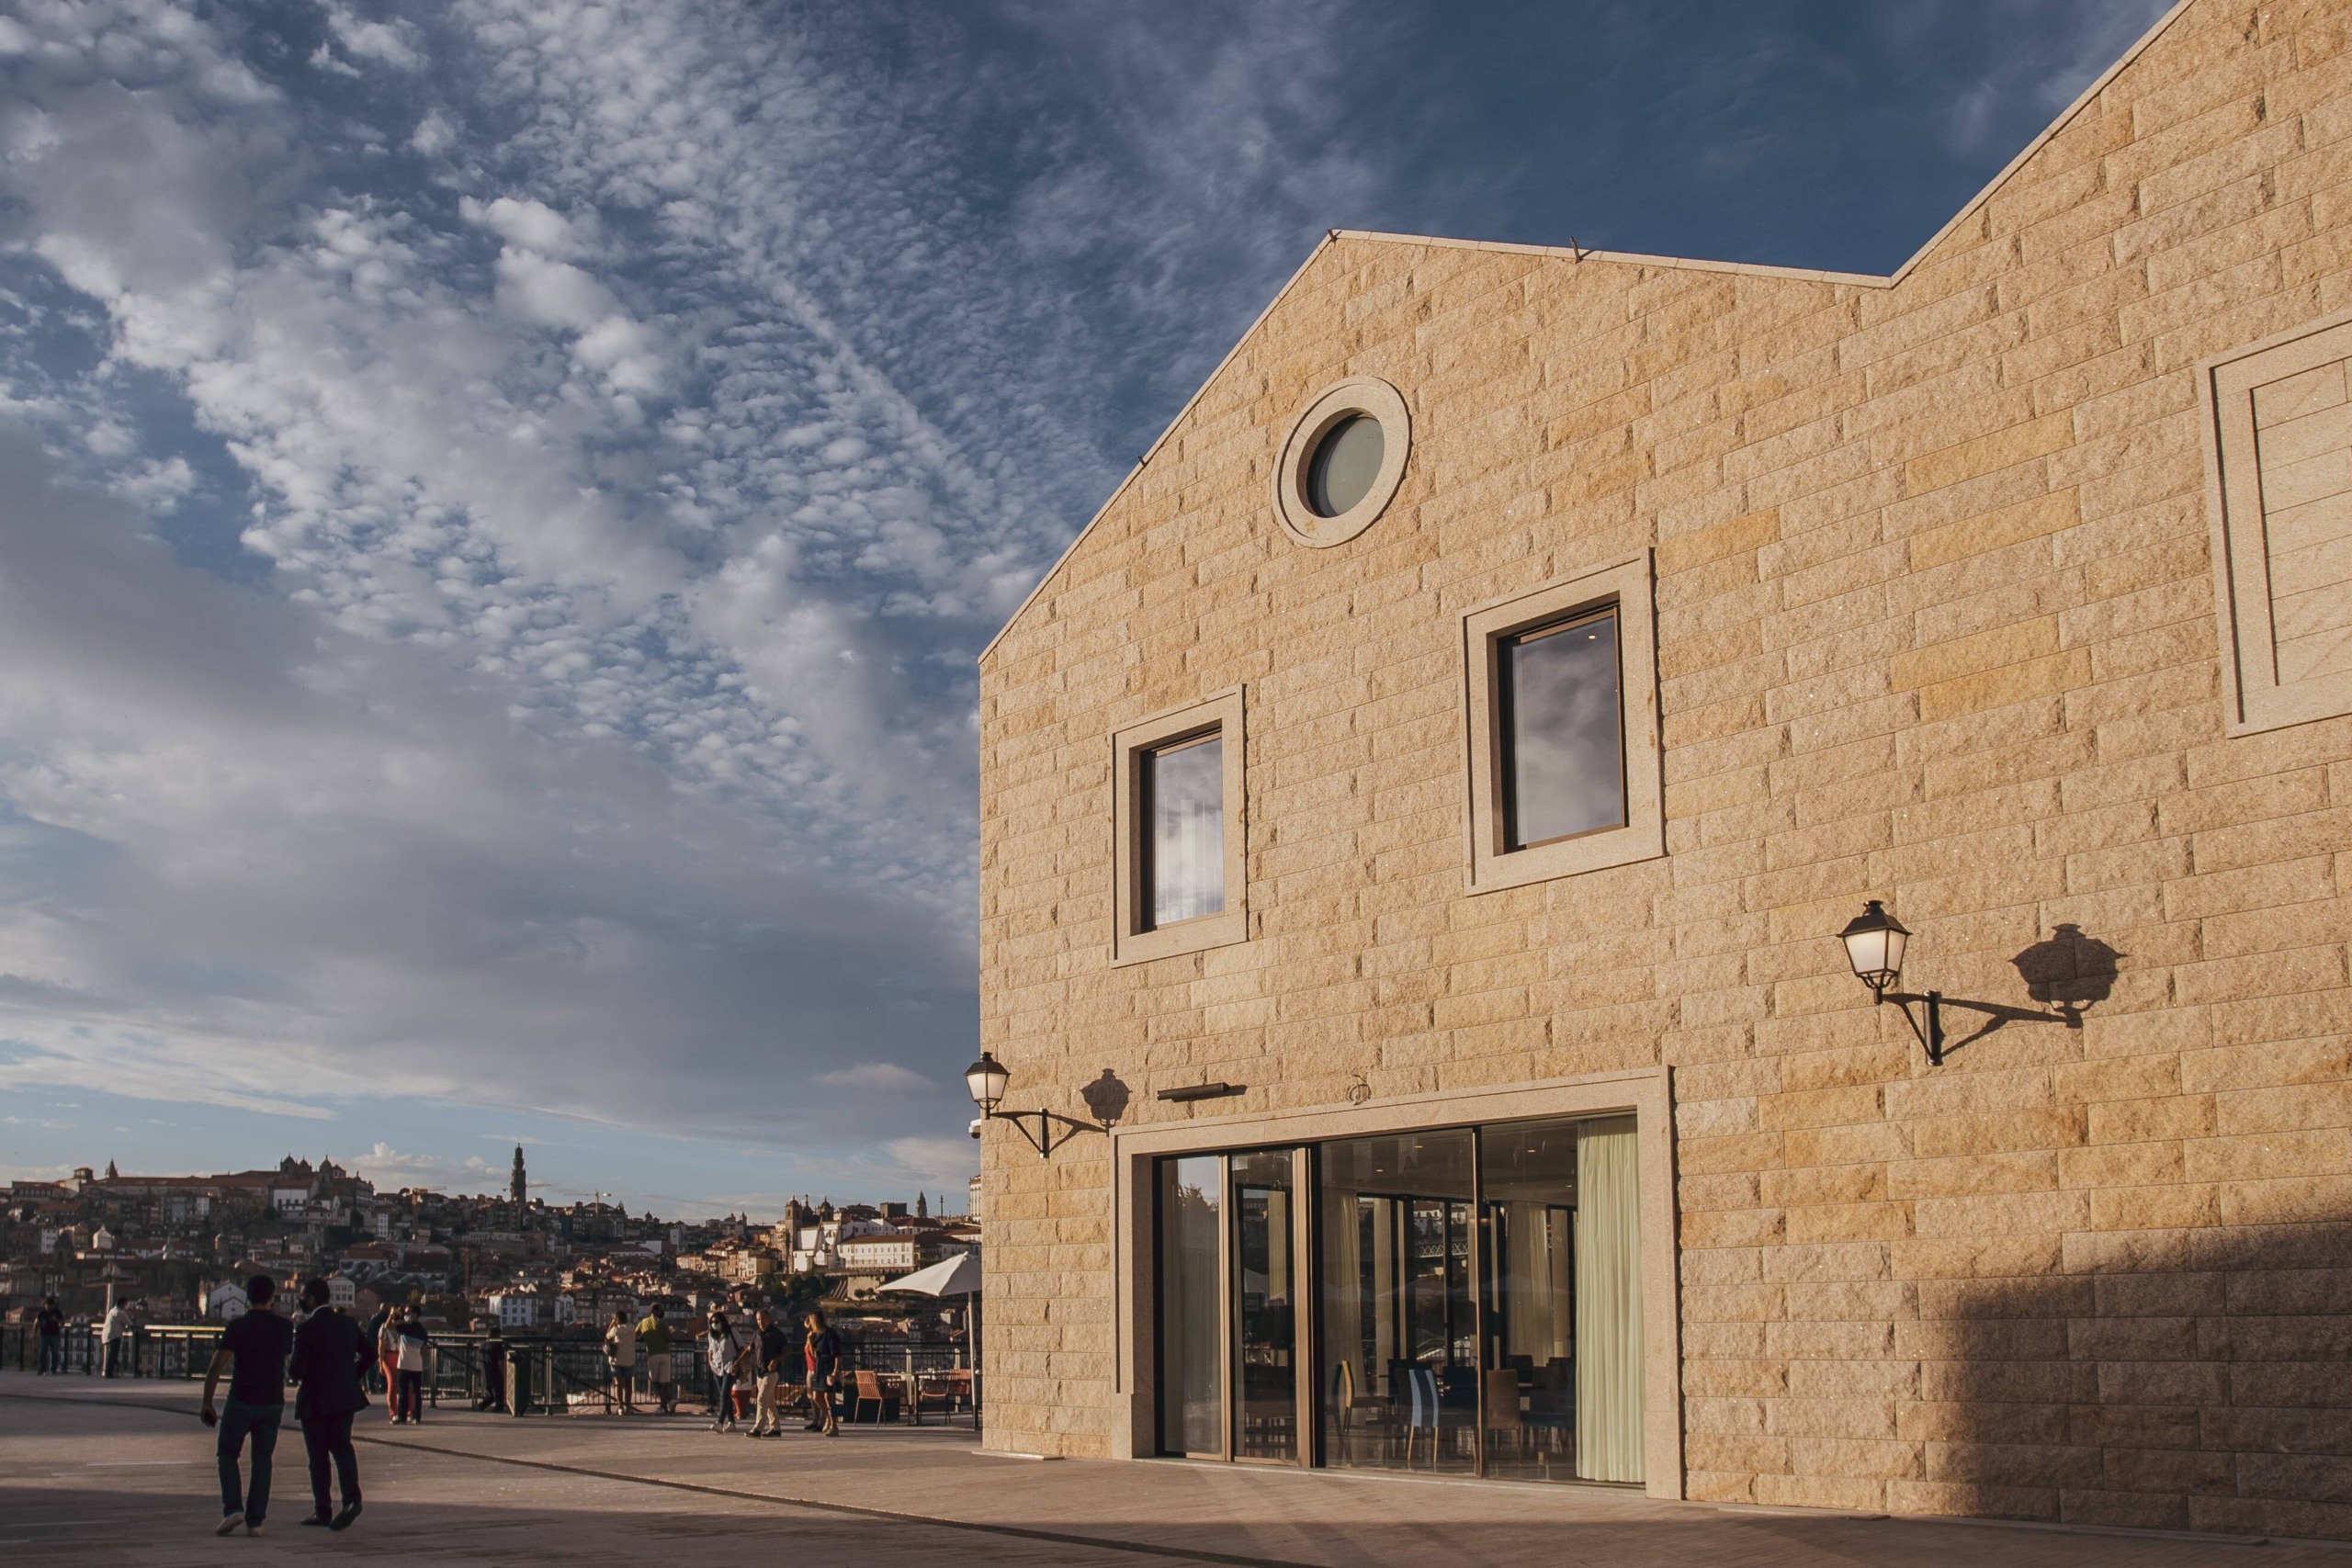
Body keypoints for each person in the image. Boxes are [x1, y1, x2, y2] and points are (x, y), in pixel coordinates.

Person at [200, 1274, 289, 1537]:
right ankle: (256, 1521)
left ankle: (232, 1509)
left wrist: (207, 1402)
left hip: (241, 1398)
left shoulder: (237, 1327)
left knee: (227, 1454)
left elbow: (216, 1366)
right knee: (263, 1461)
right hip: (273, 1401)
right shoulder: (284, 1328)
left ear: (247, 1298)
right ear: (272, 1297)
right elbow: (285, 1361)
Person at [287, 1277, 367, 1531]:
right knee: (343, 1448)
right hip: (344, 1396)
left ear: (310, 1299)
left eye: (302, 1296)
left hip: (315, 1399)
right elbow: (370, 1353)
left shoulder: (307, 1329)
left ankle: (322, 1510)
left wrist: (296, 1373)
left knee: (318, 1456)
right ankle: (352, 1499)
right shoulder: (348, 1324)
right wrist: (353, 1374)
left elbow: (297, 1370)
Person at [747, 1309, 788, 1438]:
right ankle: (775, 1428)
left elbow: (787, 1351)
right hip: (760, 1371)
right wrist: (738, 1362)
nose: (761, 1322)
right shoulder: (756, 1334)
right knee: (769, 1401)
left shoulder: (777, 1334)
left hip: (772, 1372)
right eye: (758, 1319)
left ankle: (758, 1428)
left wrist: (776, 1360)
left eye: (763, 1318)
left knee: (761, 1398)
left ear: (769, 1319)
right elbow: (750, 1349)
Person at [801, 1308, 842, 1438]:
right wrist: (810, 1341)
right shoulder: (816, 1335)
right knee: (816, 1397)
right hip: (819, 1366)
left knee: (828, 1399)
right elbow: (813, 1354)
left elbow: (837, 1354)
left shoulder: (830, 1334)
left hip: (828, 1367)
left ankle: (834, 1425)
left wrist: (835, 1371)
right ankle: (830, 1419)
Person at [704, 1308, 743, 1432]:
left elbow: (742, 1348)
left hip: (730, 1366)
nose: (714, 1324)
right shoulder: (711, 1335)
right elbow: (710, 1350)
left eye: (717, 1321)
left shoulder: (732, 1332)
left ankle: (720, 1422)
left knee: (725, 1393)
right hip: (717, 1367)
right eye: (712, 1322)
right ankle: (731, 1422)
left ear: (722, 1321)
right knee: (724, 1395)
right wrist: (710, 1362)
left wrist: (737, 1362)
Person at [392, 1308, 429, 1425]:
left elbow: (395, 1325)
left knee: (403, 1392)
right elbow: (423, 1351)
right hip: (417, 1365)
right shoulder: (423, 1331)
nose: (407, 1315)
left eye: (408, 1313)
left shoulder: (406, 1328)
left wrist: (397, 1315)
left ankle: (402, 1417)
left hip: (404, 1364)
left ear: (414, 1314)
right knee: (416, 1392)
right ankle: (416, 1417)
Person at [637, 1306, 674, 1415]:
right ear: (657, 1312)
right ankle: (667, 1402)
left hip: (652, 1354)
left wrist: (646, 1337)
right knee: (664, 1382)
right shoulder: (663, 1322)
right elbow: (669, 1339)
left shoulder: (643, 1322)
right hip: (665, 1353)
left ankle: (664, 1404)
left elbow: (636, 1334)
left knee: (654, 1380)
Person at [603, 1309, 637, 1415]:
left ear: (617, 1319)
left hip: (616, 1360)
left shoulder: (616, 1329)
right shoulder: (632, 1328)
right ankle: (628, 1406)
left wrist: (612, 1323)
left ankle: (620, 1406)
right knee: (628, 1384)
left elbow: (607, 1336)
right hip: (629, 1360)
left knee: (618, 1384)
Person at [375, 1307, 402, 1419]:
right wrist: (381, 1362)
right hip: (389, 1355)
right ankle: (393, 1412)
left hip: (400, 1355)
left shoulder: (401, 1327)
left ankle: (406, 1411)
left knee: (402, 1384)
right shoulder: (384, 1327)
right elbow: (381, 1346)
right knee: (392, 1383)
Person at [476, 1322, 509, 1414]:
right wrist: (505, 1375)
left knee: (491, 1396)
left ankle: (479, 1407)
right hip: (496, 1376)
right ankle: (496, 1412)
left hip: (485, 1376)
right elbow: (501, 1363)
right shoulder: (497, 1346)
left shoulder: (482, 1345)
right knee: (499, 1398)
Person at [361, 1302, 390, 1394]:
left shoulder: (374, 1317)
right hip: (378, 1344)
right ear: (386, 1309)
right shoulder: (384, 1318)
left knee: (371, 1367)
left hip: (371, 1343)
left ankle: (370, 1387)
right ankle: (383, 1387)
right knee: (382, 1365)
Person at [101, 1300, 130, 1378]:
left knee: (112, 1354)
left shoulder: (112, 1311)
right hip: (115, 1336)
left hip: (107, 1335)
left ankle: (112, 1371)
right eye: (125, 1304)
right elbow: (128, 1323)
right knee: (113, 1355)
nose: (125, 1306)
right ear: (122, 1304)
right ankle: (109, 1372)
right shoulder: (121, 1313)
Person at [35, 1296, 63, 1375]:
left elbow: (63, 1322)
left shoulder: (57, 1312)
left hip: (54, 1334)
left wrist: (56, 1320)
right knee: (42, 1352)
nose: (49, 1307)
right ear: (45, 1305)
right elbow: (36, 1323)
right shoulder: (41, 1313)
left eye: (50, 1305)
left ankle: (53, 1369)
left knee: (54, 1352)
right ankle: (41, 1369)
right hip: (44, 1334)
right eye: (47, 1305)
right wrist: (35, 1333)